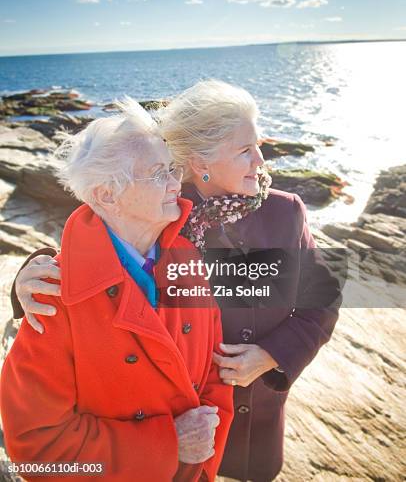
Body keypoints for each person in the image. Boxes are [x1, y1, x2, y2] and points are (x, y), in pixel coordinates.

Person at [10, 80, 341, 482]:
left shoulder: (284, 212)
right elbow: (99, 239)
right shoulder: (167, 209)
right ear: (200, 162)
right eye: (244, 150)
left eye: (259, 144)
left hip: (255, 416)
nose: (262, 161)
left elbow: (321, 298)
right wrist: (29, 276)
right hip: (164, 426)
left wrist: (272, 354)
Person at [1, 100, 233, 482]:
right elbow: (37, 453)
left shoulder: (186, 255)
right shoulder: (54, 294)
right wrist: (168, 444)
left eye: (173, 169)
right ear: (108, 195)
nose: (176, 183)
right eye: (159, 173)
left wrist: (202, 459)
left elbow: (215, 370)